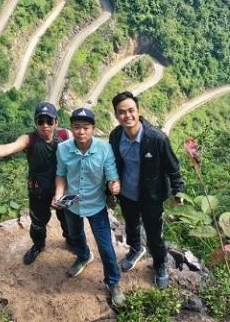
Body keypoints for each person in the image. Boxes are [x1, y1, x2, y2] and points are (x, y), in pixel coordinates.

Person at [0, 102, 72, 265]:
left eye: (49, 121)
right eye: (40, 121)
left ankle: (71, 240)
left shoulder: (65, 136)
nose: (45, 126)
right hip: (38, 189)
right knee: (38, 224)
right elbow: (9, 147)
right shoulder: (30, 139)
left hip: (62, 187)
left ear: (56, 122)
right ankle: (38, 246)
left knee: (68, 218)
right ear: (35, 123)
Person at [109, 91, 185, 289]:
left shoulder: (157, 138)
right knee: (131, 225)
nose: (128, 116)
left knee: (154, 234)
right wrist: (111, 183)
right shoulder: (116, 136)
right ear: (116, 116)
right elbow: (112, 163)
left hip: (151, 196)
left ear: (138, 111)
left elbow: (173, 168)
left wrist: (178, 193)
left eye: (131, 110)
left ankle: (160, 265)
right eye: (122, 112)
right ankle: (135, 249)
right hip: (127, 194)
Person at [53, 107, 126, 308]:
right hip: (71, 199)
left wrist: (114, 184)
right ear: (71, 128)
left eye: (86, 127)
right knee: (75, 235)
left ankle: (113, 283)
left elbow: (112, 174)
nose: (81, 132)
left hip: (95, 202)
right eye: (77, 127)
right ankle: (84, 256)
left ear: (93, 128)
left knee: (105, 245)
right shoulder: (63, 149)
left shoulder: (104, 149)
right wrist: (59, 193)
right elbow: (60, 174)